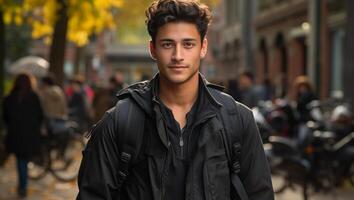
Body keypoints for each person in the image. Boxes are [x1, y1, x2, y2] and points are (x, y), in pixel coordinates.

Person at [77, 1, 274, 200]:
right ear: (153, 49)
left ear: (203, 47)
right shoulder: (120, 121)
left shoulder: (237, 119)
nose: (177, 56)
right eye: (167, 44)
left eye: (188, 44)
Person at [3, 73, 43, 197]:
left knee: (21, 160)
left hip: (15, 135)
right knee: (23, 161)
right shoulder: (34, 97)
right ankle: (23, 186)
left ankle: (22, 186)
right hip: (30, 136)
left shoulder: (9, 98)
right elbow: (40, 116)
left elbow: (6, 118)